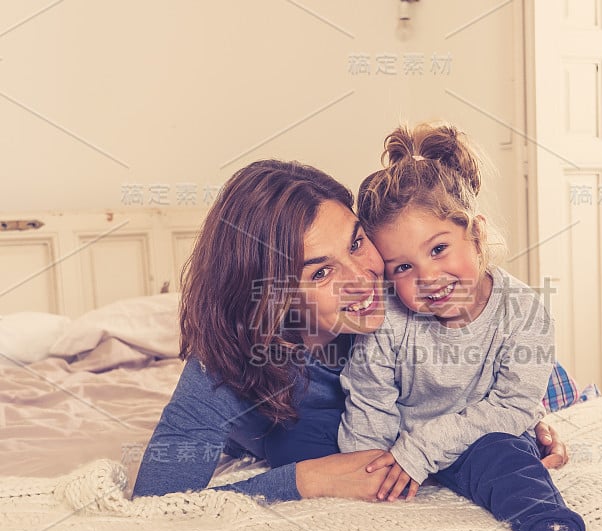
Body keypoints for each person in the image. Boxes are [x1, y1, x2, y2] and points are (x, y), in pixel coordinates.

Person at [132, 159, 568, 508]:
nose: (363, 279)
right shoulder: (225, 364)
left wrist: (525, 419)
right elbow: (157, 505)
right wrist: (307, 479)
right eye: (321, 271)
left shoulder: (402, 305)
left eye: (357, 244)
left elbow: (496, 355)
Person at [338, 123, 591, 531]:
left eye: (438, 249)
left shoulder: (524, 310)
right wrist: (371, 468)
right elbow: (369, 402)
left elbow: (513, 408)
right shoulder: (389, 320)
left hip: (483, 438)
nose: (428, 277)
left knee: (509, 458)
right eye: (403, 268)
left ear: (475, 233)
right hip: (406, 445)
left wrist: (425, 448)